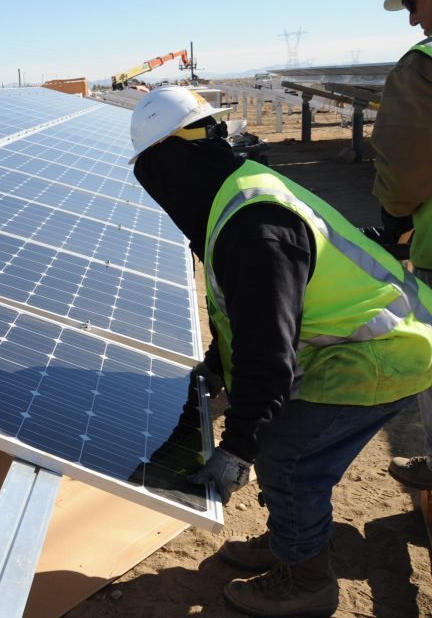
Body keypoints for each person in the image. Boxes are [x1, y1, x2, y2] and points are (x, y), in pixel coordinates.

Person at [129, 85, 432, 617]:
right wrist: (217, 368)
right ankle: (291, 536)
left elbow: (268, 352)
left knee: (287, 458)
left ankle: (306, 583)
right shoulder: (231, 193)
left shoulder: (254, 225)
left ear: (168, 164)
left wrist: (237, 447)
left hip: (386, 351)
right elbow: (241, 311)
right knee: (278, 435)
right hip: (364, 343)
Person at [371, 0, 432, 491]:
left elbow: (404, 166)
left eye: (412, 0)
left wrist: (395, 219)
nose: (412, 19)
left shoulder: (422, 68)